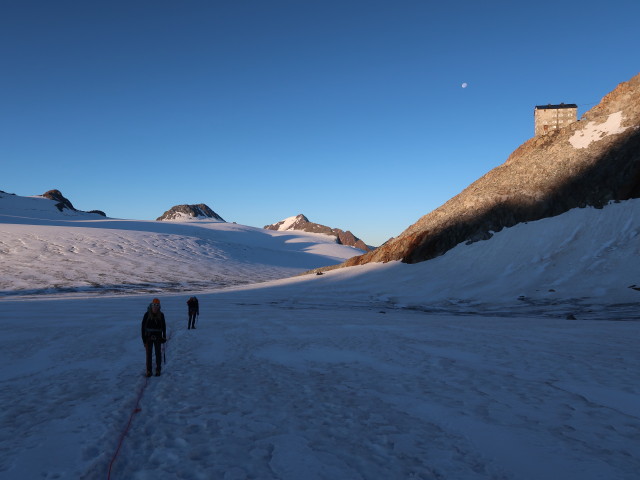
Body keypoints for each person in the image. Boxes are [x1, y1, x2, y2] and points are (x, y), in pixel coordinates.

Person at [141, 298, 167, 377]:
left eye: (157, 305)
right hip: (148, 337)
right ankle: (149, 371)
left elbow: (164, 327)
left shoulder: (161, 315)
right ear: (151, 305)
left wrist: (164, 337)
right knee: (149, 355)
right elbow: (143, 327)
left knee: (158, 354)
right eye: (154, 305)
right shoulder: (147, 314)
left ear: (159, 306)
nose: (155, 307)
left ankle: (158, 370)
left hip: (158, 337)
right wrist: (144, 339)